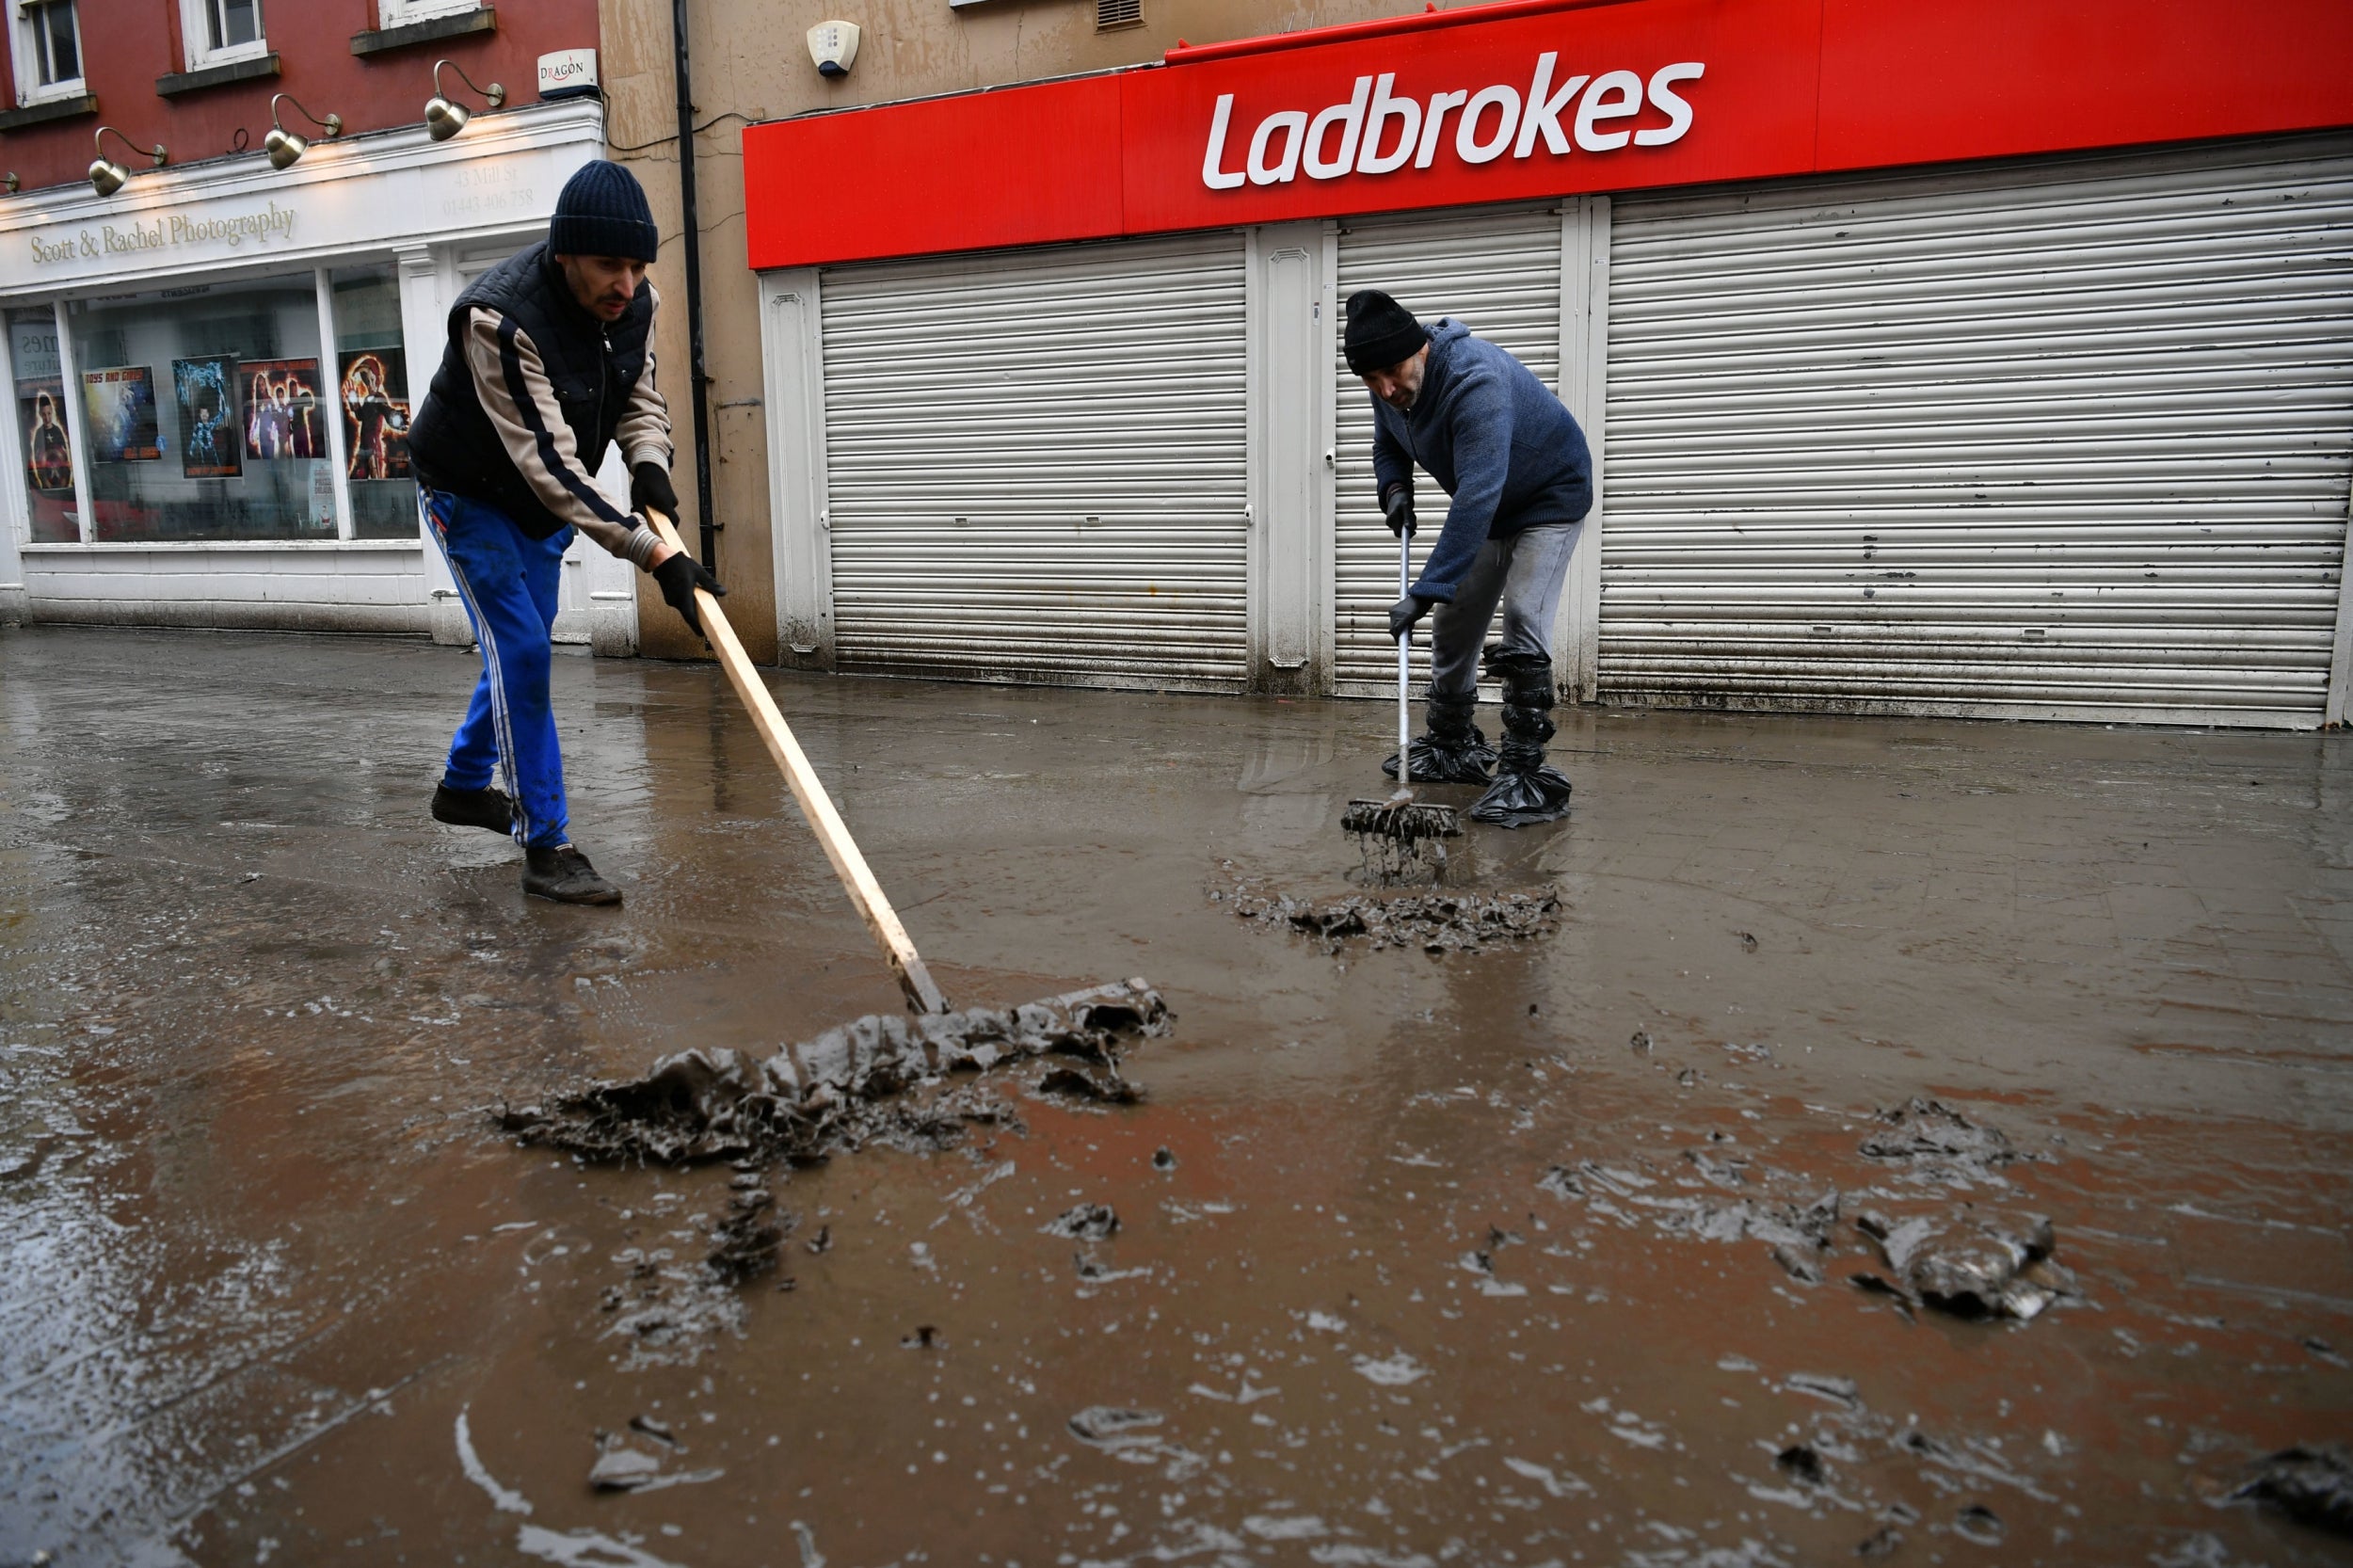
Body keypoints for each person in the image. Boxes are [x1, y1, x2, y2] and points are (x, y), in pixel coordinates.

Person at [407, 159, 724, 905]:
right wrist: (656, 555)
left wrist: (650, 465)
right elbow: (548, 463)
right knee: (519, 648)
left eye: (638, 266)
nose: (627, 282)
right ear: (565, 255)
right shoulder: (499, 320)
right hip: (470, 492)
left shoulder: (635, 303)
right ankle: (547, 846)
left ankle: (461, 786)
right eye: (610, 265)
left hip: (539, 506)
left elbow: (638, 396)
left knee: (525, 643)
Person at [1347, 289, 1593, 827]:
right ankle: (1452, 742)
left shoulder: (1474, 380)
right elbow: (1388, 442)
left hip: (1548, 498)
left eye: (1393, 372)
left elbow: (1478, 493)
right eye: (1371, 379)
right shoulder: (1386, 383)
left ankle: (1526, 774)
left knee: (1524, 615)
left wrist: (1423, 590)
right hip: (1491, 506)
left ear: (1420, 351)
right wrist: (1393, 490)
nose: (1386, 389)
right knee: (1455, 622)